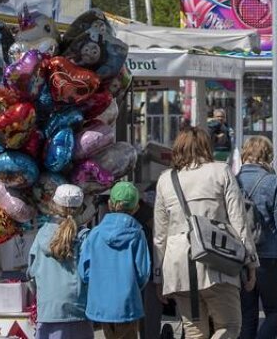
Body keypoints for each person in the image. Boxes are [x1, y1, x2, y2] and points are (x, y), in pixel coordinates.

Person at [155, 125, 257, 339]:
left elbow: (160, 234)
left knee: (194, 332)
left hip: (178, 265)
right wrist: (250, 261)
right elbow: (239, 219)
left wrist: (159, 277)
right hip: (217, 260)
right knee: (229, 325)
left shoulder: (166, 179)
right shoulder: (221, 171)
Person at [235, 136, 277, 339]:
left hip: (240, 255)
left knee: (247, 314)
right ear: (267, 156)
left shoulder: (233, 180)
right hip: (269, 257)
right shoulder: (273, 183)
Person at [81, 180, 154, 339]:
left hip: (101, 303)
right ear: (135, 208)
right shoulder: (137, 234)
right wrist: (132, 288)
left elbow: (84, 271)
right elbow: (143, 272)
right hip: (127, 304)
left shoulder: (95, 233)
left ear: (109, 203)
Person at [34, 185, 92, 339]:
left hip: (48, 309)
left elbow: (31, 271)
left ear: (53, 205)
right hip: (78, 309)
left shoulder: (41, 235)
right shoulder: (85, 237)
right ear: (81, 208)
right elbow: (90, 273)